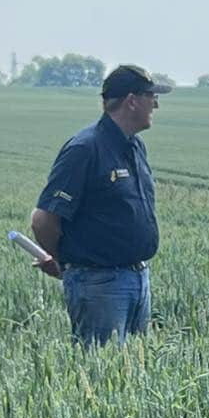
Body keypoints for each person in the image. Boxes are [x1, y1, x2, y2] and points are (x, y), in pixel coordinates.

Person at [28, 64, 172, 345]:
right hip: (99, 284)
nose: (156, 103)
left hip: (137, 278)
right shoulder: (85, 148)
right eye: (150, 96)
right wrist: (62, 262)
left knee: (132, 375)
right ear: (131, 101)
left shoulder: (135, 146)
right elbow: (43, 219)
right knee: (100, 373)